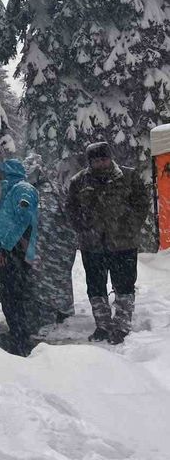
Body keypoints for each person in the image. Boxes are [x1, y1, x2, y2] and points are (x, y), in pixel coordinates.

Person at [66, 142, 149, 344]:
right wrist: (85, 229)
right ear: (90, 162)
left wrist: (129, 227)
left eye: (104, 159)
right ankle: (102, 326)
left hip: (124, 244)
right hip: (92, 245)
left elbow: (141, 204)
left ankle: (121, 326)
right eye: (96, 160)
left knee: (125, 285)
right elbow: (71, 209)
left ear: (110, 158)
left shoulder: (129, 177)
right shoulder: (79, 182)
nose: (101, 163)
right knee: (95, 287)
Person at [0, 159, 39, 356]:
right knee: (10, 294)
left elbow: (23, 219)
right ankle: (17, 334)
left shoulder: (22, 189)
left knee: (13, 295)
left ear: (9, 172)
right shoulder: (13, 189)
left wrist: (5, 247)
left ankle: (20, 339)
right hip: (12, 250)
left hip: (15, 251)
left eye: (1, 172)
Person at [24, 153, 77, 330]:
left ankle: (60, 312)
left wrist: (67, 240)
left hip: (55, 246)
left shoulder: (54, 189)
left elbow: (69, 217)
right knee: (34, 282)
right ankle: (38, 315)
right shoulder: (22, 191)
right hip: (31, 248)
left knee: (56, 280)